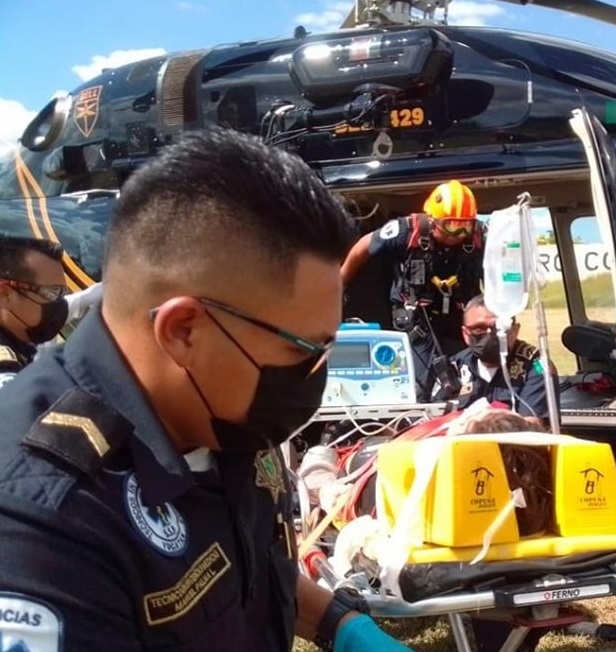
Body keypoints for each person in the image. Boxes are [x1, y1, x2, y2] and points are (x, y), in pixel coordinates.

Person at [0, 129, 410, 652]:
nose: (316, 373)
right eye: (303, 348)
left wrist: (343, 627)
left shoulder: (223, 415)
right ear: (184, 331)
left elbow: (251, 564)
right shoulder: (43, 523)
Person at [340, 180, 485, 401]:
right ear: (434, 221)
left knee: (471, 382)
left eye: (465, 225)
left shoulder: (479, 236)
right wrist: (338, 285)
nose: (459, 233)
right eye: (452, 226)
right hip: (417, 322)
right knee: (418, 389)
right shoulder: (405, 231)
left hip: (459, 320)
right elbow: (362, 248)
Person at [441, 294, 559, 423]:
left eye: (497, 328)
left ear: (514, 330)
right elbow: (433, 418)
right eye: (478, 329)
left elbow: (532, 426)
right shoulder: (455, 366)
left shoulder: (537, 366)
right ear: (465, 333)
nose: (488, 335)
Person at [0, 235, 68, 386]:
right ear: (5, 294)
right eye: (51, 293)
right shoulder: (6, 371)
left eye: (62, 293)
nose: (59, 303)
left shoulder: (17, 337)